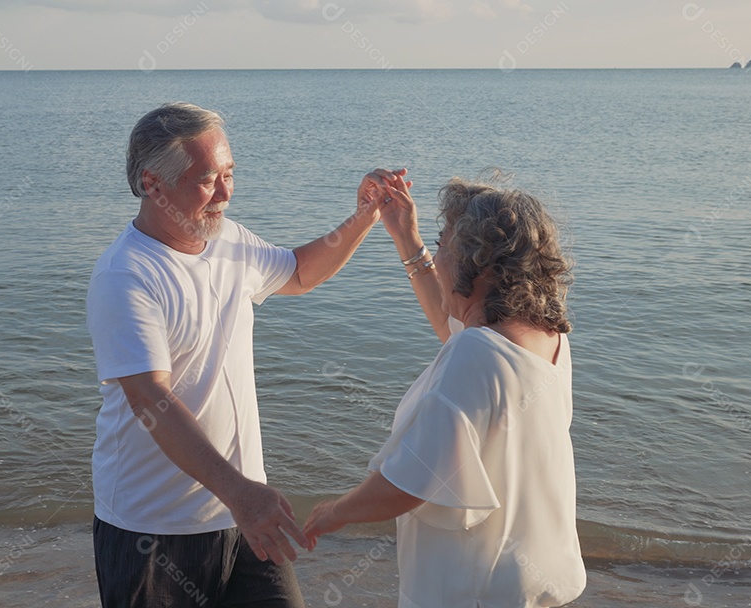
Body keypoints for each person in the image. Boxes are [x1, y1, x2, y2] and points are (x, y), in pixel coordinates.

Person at [86, 102, 385, 607]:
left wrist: (365, 214)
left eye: (229, 174)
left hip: (244, 515)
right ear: (153, 184)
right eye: (207, 180)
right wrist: (240, 492)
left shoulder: (228, 239)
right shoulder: (127, 274)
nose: (226, 193)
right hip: (155, 529)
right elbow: (149, 399)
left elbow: (300, 273)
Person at [303, 170, 586, 607]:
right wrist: (405, 237)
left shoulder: (475, 353)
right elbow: (450, 321)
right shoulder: (547, 339)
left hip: (471, 592)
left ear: (480, 263)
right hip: (535, 587)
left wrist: (332, 513)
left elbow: (411, 481)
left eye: (443, 245)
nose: (438, 257)